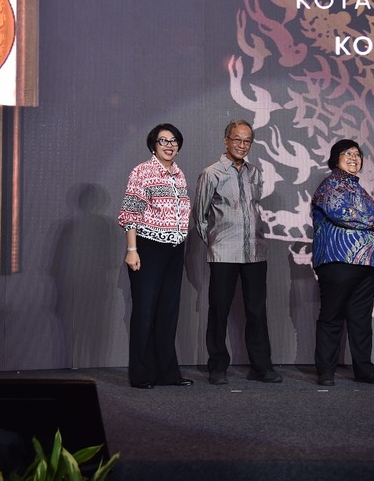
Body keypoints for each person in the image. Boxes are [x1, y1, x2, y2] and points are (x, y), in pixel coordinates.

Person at [194, 119, 281, 385]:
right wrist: (216, 241)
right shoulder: (212, 173)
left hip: (255, 251)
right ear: (226, 141)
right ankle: (218, 366)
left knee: (257, 311)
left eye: (247, 141)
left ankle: (261, 367)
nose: (242, 145)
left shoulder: (255, 173)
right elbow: (199, 216)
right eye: (237, 139)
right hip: (223, 252)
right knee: (219, 309)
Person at [311, 139, 374, 386]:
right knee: (332, 317)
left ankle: (364, 370)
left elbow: (368, 227)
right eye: (347, 153)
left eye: (358, 154)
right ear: (335, 158)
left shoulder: (360, 189)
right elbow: (342, 214)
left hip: (366, 263)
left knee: (360, 320)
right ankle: (326, 371)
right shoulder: (330, 185)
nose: (354, 158)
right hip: (338, 260)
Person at [118, 123, 193, 389]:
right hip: (148, 248)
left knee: (168, 312)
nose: (169, 145)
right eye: (163, 141)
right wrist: (132, 250)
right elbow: (130, 213)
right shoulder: (142, 171)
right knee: (145, 312)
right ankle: (142, 374)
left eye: (173, 141)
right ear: (153, 145)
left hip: (174, 249)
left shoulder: (179, 174)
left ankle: (168, 373)